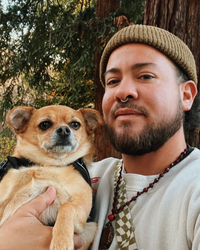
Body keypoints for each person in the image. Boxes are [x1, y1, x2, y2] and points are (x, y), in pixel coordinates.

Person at [0, 24, 200, 250]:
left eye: (145, 76)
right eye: (113, 81)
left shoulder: (194, 188)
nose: (123, 92)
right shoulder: (84, 173)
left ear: (186, 95)